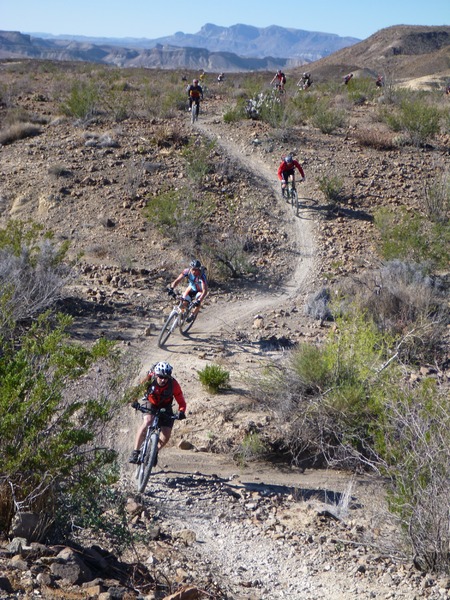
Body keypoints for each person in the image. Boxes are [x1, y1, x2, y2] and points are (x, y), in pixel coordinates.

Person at [129, 361, 186, 464]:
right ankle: (135, 452)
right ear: (156, 374)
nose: (163, 380)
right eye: (161, 377)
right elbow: (136, 391)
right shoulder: (149, 379)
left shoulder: (173, 384)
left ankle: (153, 452)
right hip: (150, 402)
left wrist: (181, 412)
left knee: (166, 435)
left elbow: (181, 402)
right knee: (148, 421)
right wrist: (134, 401)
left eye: (166, 377)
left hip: (165, 406)